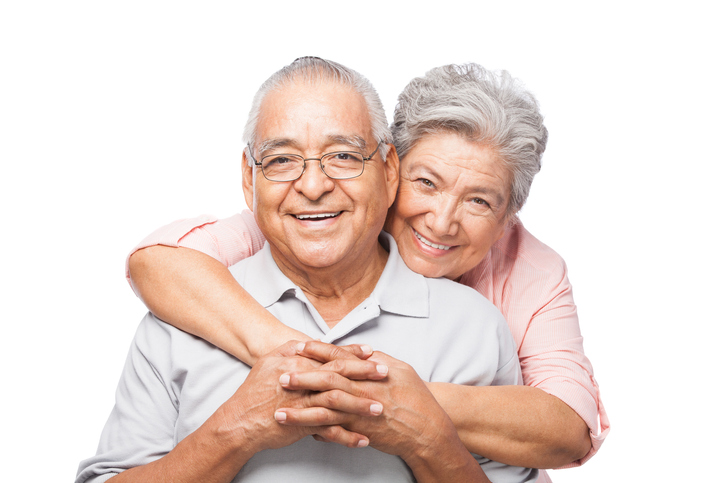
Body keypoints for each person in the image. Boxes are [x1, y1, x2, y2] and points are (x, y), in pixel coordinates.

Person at [127, 63, 609, 480]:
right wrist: (300, 367)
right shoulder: (301, 217)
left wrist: (398, 404)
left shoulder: (521, 282)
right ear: (391, 172)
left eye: (480, 200)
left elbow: (568, 429)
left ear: (508, 219)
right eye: (427, 183)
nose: (441, 222)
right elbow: (157, 262)